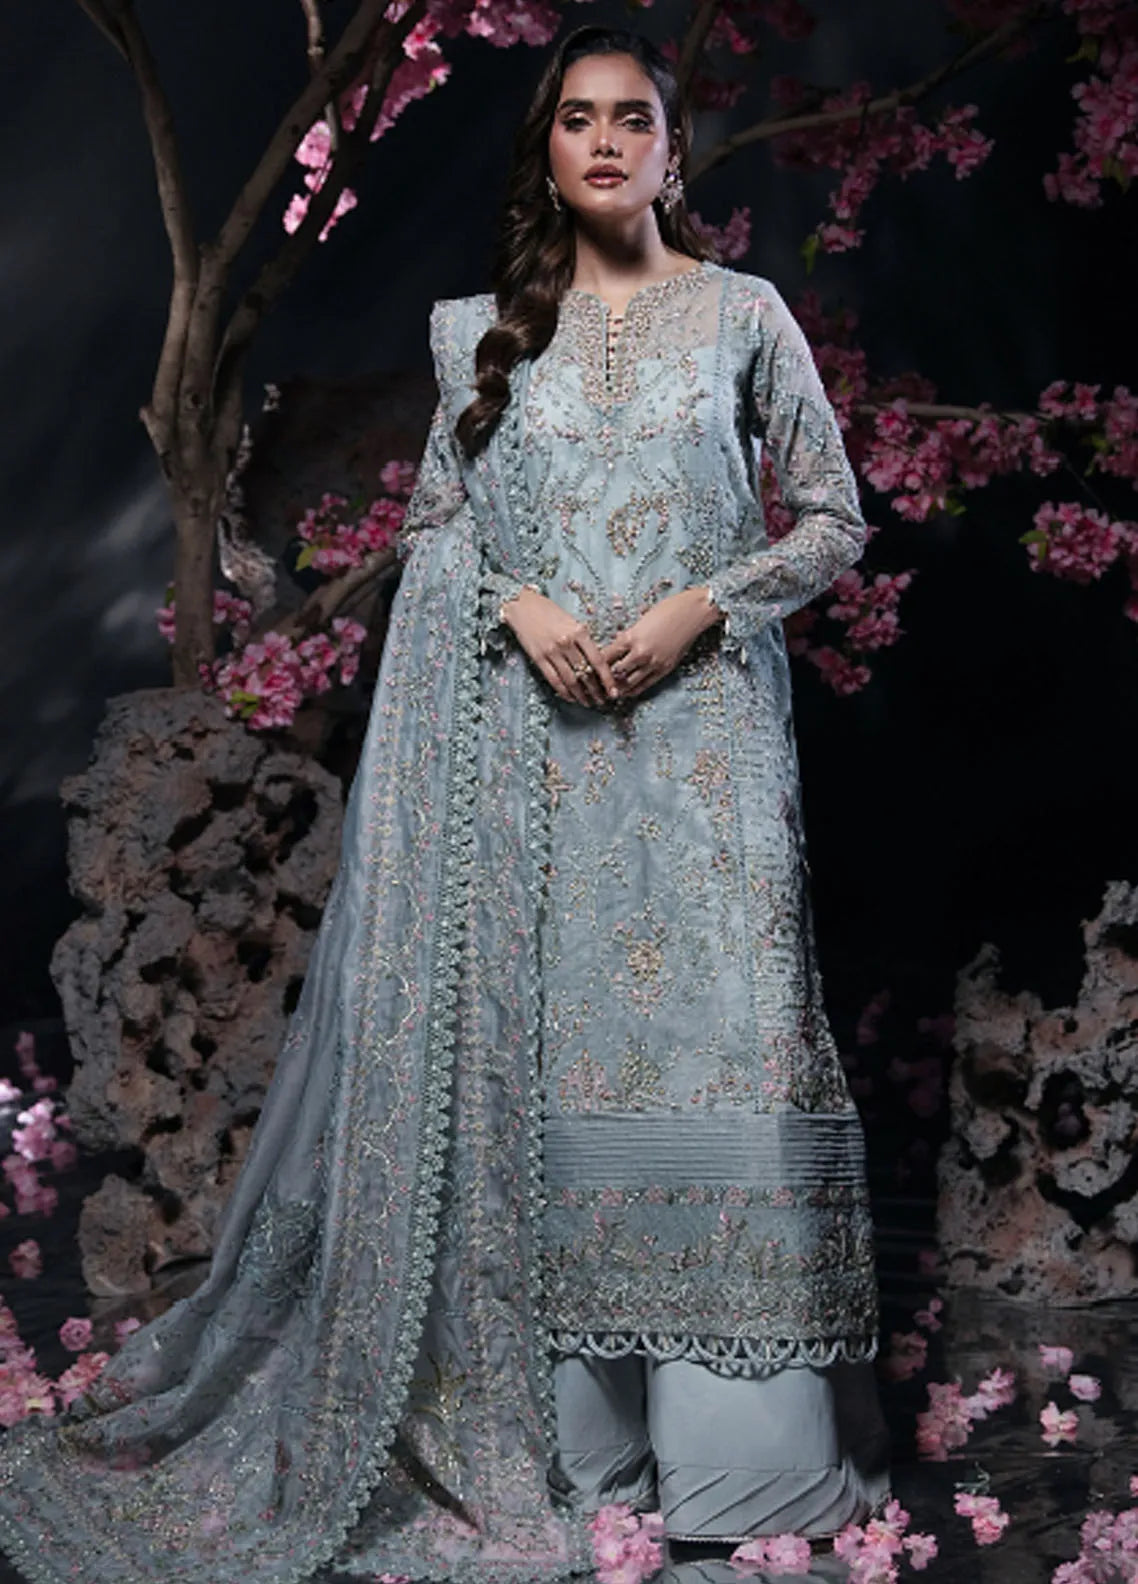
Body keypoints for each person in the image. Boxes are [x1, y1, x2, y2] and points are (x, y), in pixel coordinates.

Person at [0, 23, 890, 1584]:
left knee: (724, 1053)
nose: (604, 142)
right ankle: (584, 1448)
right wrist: (519, 605)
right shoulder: (480, 336)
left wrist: (698, 606)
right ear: (546, 151)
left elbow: (829, 520)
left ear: (670, 150)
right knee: (564, 1075)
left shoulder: (745, 317)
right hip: (539, 769)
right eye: (576, 118)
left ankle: (741, 1468)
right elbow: (437, 530)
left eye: (632, 119)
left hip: (706, 756)